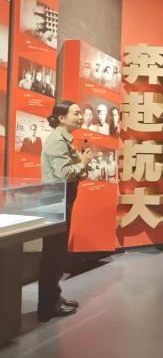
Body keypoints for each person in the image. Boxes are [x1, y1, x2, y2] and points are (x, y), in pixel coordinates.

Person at [40, 100, 92, 321]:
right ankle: (48, 306)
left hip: (62, 199)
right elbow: (62, 174)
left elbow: (67, 172)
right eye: (76, 113)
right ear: (61, 118)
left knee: (57, 253)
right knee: (53, 254)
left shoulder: (64, 139)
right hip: (56, 200)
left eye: (81, 113)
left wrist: (80, 170)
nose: (81, 117)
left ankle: (55, 298)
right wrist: (82, 163)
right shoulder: (57, 141)